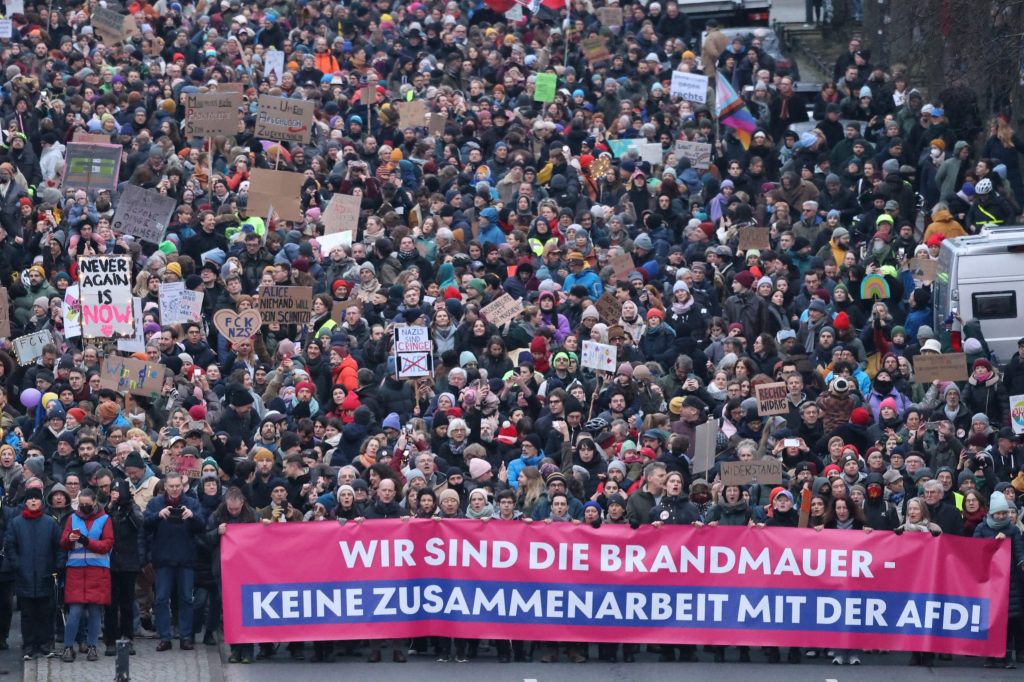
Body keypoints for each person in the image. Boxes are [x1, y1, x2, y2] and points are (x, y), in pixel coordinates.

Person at [143, 473, 205, 652]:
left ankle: (186, 636)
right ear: (166, 486)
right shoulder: (156, 503)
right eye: (171, 486)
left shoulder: (192, 503)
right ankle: (164, 637)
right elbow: (145, 524)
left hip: (186, 559)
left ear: (182, 486)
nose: (175, 489)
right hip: (163, 560)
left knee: (186, 598)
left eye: (178, 486)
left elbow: (203, 526)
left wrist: (192, 516)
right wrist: (157, 516)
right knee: (161, 599)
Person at [4, 487, 61, 661]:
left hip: (45, 574)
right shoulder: (16, 523)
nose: (33, 501)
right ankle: (28, 646)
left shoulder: (50, 523)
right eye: (30, 499)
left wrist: (56, 567)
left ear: (41, 501)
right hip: (24, 575)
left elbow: (58, 547)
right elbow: (10, 546)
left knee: (45, 612)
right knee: (27, 614)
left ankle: (44, 645)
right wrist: (17, 565)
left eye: (36, 499)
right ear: (26, 502)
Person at [59, 488, 113, 663]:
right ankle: (68, 647)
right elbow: (63, 543)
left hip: (97, 571)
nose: (83, 507)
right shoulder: (72, 518)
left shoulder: (105, 519)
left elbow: (107, 544)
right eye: (81, 504)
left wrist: (86, 541)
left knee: (95, 611)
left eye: (87, 505)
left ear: (95, 503)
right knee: (74, 612)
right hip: (76, 571)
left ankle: (92, 647)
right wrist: (70, 539)